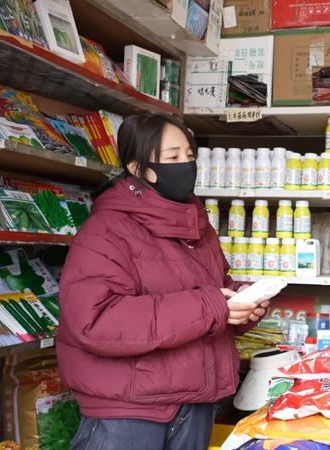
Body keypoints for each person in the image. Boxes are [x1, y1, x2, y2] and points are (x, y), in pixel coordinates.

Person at [56, 114, 268, 449]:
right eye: (172, 157)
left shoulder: (197, 227)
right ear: (137, 168)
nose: (186, 164)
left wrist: (241, 304)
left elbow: (214, 293)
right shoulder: (106, 230)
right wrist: (212, 306)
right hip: (130, 410)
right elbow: (96, 322)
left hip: (195, 401)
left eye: (189, 155)